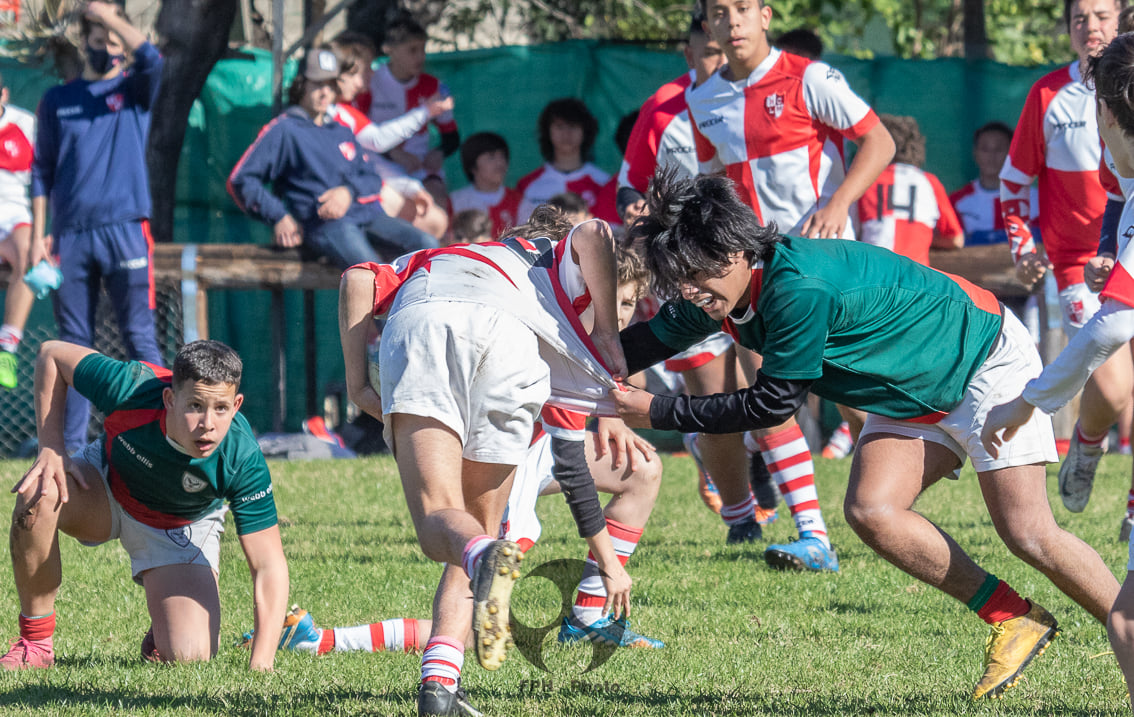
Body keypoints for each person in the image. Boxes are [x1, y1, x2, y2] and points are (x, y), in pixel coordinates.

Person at [614, 168, 1119, 700]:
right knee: (872, 510)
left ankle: (1127, 628)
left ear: (737, 250)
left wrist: (658, 409)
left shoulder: (796, 289)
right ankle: (1013, 616)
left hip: (980, 358)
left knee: (1028, 532)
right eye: (679, 277)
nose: (690, 289)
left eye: (697, 272)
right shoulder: (718, 289)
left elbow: (773, 402)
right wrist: (558, 367)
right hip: (911, 384)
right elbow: (638, 345)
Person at [338, 210, 628, 716]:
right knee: (477, 526)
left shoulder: (439, 255)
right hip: (512, 339)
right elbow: (595, 232)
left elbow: (358, 277)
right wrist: (607, 332)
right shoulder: (553, 267)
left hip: (427, 321)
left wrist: (357, 382)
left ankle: (477, 571)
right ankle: (440, 686)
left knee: (441, 524)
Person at [684, 0, 897, 569]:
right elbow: (711, 184)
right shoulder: (701, 99)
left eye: (744, 8)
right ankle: (813, 535)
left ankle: (896, 500)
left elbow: (880, 142)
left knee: (856, 393)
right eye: (721, 12)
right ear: (708, 25)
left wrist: (838, 202)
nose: (733, 20)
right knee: (768, 394)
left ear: (766, 15)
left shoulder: (811, 77)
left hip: (824, 263)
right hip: (757, 268)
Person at [983, 34, 1134, 712]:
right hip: (1076, 276)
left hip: (1092, 312)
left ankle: (1090, 446)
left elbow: (1112, 325)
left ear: (1106, 115)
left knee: (1128, 618)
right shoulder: (1120, 192)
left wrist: (1027, 403)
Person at [2, 339, 288, 671]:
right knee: (39, 491)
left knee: (188, 656)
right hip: (105, 487)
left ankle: (167, 626)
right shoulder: (133, 386)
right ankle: (36, 643)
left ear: (236, 404)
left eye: (221, 408)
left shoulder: (243, 457)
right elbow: (51, 354)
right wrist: (51, 447)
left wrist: (262, 662)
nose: (207, 423)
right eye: (195, 405)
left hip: (179, 528)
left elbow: (269, 564)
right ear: (170, 398)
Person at [1000, 0, 1129, 514]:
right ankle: (1089, 442)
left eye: (1101, 15)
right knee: (1116, 388)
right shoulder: (1048, 93)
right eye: (1079, 18)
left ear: (1122, 20)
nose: (1090, 27)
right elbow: (1013, 183)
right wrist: (1025, 248)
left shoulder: (1128, 76)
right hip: (1081, 265)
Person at [31, 1, 166, 452]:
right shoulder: (57, 100)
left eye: (113, 38)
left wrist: (109, 15)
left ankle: (164, 435)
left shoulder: (134, 90)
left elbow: (152, 59)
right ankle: (67, 453)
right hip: (71, 236)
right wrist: (38, 237)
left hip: (126, 229)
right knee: (72, 344)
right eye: (97, 36)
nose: (105, 45)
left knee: (138, 335)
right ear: (82, 40)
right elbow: (41, 172)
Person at [227, 48, 437, 270]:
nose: (324, 92)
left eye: (329, 85)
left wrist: (347, 192)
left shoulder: (340, 129)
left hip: (366, 215)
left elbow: (371, 177)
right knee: (372, 273)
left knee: (427, 247)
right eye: (317, 84)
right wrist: (279, 216)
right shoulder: (285, 129)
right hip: (326, 224)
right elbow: (240, 179)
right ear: (301, 85)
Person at [329, 37, 451, 240]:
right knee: (426, 230)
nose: (365, 79)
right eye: (359, 72)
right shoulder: (332, 112)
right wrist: (425, 111)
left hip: (367, 186)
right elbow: (378, 141)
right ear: (336, 77)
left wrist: (410, 188)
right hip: (351, 197)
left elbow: (369, 154)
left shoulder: (346, 111)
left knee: (435, 220)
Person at [368, 15, 459, 201]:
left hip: (419, 168)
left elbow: (452, 136)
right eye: (412, 50)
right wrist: (394, 153)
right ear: (389, 50)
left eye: (423, 49)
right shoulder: (370, 83)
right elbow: (356, 132)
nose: (421, 57)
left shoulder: (433, 87)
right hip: (377, 165)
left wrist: (439, 152)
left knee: (437, 197)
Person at [858, 114, 964, 265]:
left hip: (875, 271)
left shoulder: (865, 179)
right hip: (916, 275)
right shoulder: (929, 181)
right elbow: (955, 239)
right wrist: (922, 237)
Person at [0, 72, 43, 389]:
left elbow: (47, 177)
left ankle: (7, 349)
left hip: (15, 213)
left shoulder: (26, 123)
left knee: (30, 257)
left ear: (4, 95)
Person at [516, 98, 610, 223]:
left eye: (573, 126)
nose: (566, 133)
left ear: (585, 131)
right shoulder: (526, 185)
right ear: (547, 131)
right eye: (560, 127)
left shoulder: (603, 182)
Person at [448, 132, 523, 237]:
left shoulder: (519, 201)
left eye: (502, 156)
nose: (500, 163)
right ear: (472, 166)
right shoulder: (455, 201)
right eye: (491, 157)